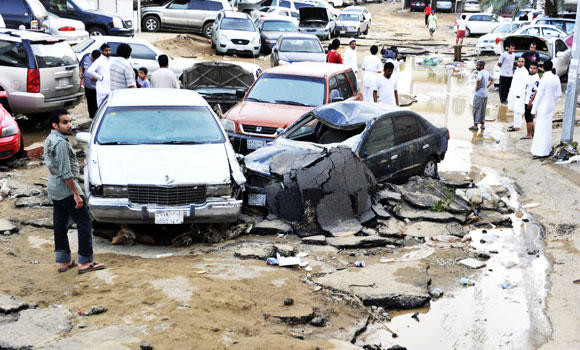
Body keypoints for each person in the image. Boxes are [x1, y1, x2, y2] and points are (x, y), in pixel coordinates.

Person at [44, 109, 105, 274]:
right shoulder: (62, 144)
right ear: (55, 125)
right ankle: (85, 262)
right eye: (64, 122)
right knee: (84, 222)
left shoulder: (49, 139)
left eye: (70, 121)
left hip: (55, 188)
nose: (69, 125)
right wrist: (76, 195)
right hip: (66, 190)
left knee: (60, 224)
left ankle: (64, 261)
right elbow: (66, 173)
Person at [530, 60, 561, 158]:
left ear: (542, 69)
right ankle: (546, 151)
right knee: (547, 129)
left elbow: (539, 96)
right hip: (550, 106)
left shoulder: (543, 79)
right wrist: (552, 99)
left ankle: (539, 152)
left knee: (540, 129)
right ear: (552, 68)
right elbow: (558, 94)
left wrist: (533, 110)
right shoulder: (556, 78)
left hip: (543, 107)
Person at [469, 60, 494, 131]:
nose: (476, 66)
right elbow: (493, 79)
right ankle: (482, 125)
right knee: (483, 109)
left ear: (481, 66)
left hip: (479, 94)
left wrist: (477, 87)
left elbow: (478, 80)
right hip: (485, 94)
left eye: (477, 65)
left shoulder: (480, 73)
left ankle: (475, 125)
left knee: (476, 109)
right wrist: (487, 86)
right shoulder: (486, 72)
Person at [507, 57, 529, 132]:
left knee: (518, 110)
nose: (520, 63)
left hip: (519, 94)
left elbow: (524, 84)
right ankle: (515, 124)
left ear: (524, 63)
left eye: (522, 62)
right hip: (514, 92)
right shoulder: (517, 70)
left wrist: (518, 93)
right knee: (514, 109)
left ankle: (517, 127)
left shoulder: (525, 72)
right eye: (519, 61)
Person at [79, 50, 100, 118]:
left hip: (96, 87)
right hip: (87, 86)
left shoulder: (101, 61)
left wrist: (96, 79)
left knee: (96, 103)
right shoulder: (86, 57)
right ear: (92, 57)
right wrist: (81, 72)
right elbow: (81, 65)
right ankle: (91, 117)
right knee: (89, 102)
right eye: (94, 60)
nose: (95, 61)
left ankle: (97, 117)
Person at [523, 62, 540, 139]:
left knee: (528, 118)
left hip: (530, 101)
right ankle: (533, 133)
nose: (532, 70)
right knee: (530, 118)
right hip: (527, 100)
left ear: (537, 70)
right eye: (531, 68)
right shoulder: (530, 76)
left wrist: (531, 102)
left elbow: (536, 91)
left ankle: (529, 134)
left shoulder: (536, 78)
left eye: (534, 68)